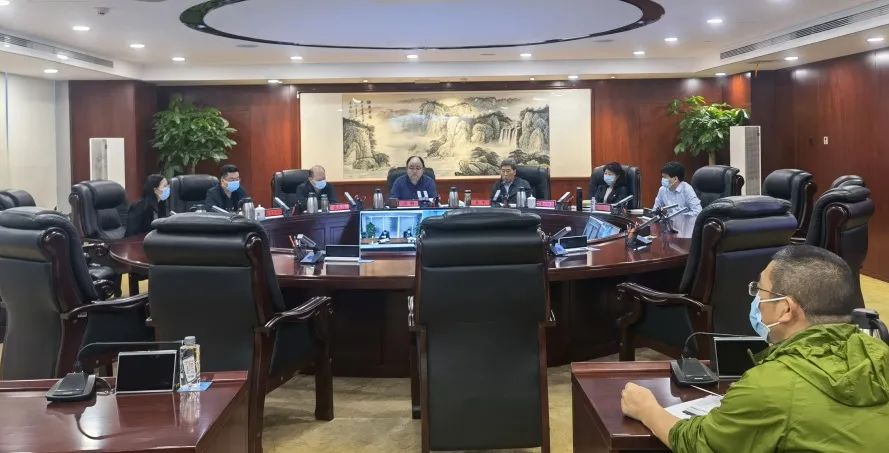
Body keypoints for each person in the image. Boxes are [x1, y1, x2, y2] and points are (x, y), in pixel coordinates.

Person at [620, 245, 889, 453]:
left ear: (785, 309)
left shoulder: (770, 388)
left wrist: (647, 409)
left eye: (759, 291)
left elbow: (699, 442)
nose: (756, 300)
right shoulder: (879, 353)